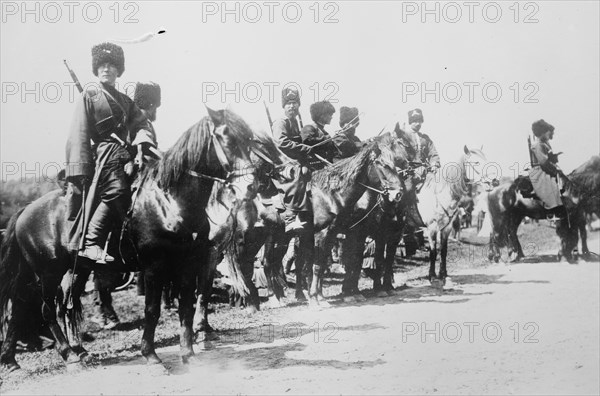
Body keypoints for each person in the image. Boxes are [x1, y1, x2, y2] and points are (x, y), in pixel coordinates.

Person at [65, 42, 153, 263]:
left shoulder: (125, 100)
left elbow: (142, 125)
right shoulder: (90, 94)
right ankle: (91, 242)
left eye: (111, 65)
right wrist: (80, 169)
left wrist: (141, 142)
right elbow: (79, 133)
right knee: (117, 190)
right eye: (102, 65)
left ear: (118, 70)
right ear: (96, 69)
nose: (106, 69)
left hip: (126, 154)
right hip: (105, 154)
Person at [271, 87, 316, 299]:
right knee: (298, 177)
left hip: (296, 160)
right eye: (289, 104)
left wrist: (306, 154)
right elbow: (281, 143)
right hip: (282, 164)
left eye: (295, 103)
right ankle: (291, 215)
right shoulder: (281, 122)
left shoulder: (296, 123)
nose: (292, 107)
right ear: (284, 106)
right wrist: (301, 149)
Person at [529, 119, 564, 217]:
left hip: (546, 167)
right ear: (542, 132)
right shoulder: (537, 144)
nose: (550, 136)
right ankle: (555, 209)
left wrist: (554, 157)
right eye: (548, 134)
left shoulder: (545, 143)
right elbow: (543, 162)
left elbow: (548, 157)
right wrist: (555, 169)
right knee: (551, 184)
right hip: (540, 170)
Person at [300, 100, 337, 169]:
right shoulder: (308, 128)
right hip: (314, 167)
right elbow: (308, 141)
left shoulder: (324, 132)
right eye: (330, 114)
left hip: (327, 166)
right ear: (322, 115)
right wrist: (326, 139)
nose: (331, 117)